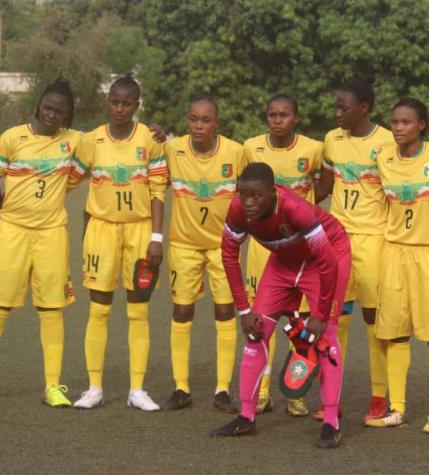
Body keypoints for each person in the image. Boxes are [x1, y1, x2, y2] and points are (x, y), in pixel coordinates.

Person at [0, 78, 82, 407]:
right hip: (12, 234)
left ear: (67, 115)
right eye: (47, 108)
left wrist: (152, 132)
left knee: (51, 310)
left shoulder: (75, 141)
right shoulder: (13, 137)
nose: (51, 115)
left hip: (51, 236)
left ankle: (53, 387)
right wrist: (2, 216)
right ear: (38, 106)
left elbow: (111, 140)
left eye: (59, 111)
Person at [211, 162, 350, 449]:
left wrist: (320, 315)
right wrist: (244, 310)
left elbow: (327, 262)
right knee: (255, 333)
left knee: (325, 338)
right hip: (285, 259)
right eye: (243, 194)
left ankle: (331, 423)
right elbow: (228, 254)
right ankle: (246, 417)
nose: (248, 202)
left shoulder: (295, 208)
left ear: (272, 193)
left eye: (256, 196)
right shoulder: (237, 210)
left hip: (327, 256)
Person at [71, 76, 167, 412]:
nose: (120, 108)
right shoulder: (91, 140)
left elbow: (158, 192)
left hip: (140, 231)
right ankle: (94, 387)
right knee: (98, 309)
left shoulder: (151, 139)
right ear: (108, 102)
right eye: (114, 102)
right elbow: (68, 180)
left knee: (138, 311)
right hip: (101, 230)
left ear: (137, 105)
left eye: (127, 103)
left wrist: (157, 238)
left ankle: (136, 390)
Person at [364, 98, 429, 433]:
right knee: (395, 333)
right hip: (393, 252)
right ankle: (397, 409)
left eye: (406, 122)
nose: (398, 128)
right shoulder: (384, 158)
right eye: (395, 122)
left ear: (422, 124)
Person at [315, 78, 394, 422]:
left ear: (364, 108)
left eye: (343, 107)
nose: (337, 113)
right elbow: (323, 188)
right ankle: (332, 396)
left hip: (374, 240)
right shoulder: (332, 140)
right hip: (337, 240)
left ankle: (379, 396)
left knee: (374, 321)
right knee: (336, 320)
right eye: (336, 106)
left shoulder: (387, 142)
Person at [163, 95, 247, 412]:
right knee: (182, 311)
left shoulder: (235, 152)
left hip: (222, 247)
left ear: (217, 123)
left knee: (225, 311)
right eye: (193, 119)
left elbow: (249, 194)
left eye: (205, 120)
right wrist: (154, 131)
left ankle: (222, 389)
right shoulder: (173, 149)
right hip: (183, 245)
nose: (198, 125)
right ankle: (181, 386)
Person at [242, 94, 324, 417]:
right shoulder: (251, 147)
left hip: (299, 249)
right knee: (262, 320)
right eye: (272, 115)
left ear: (296, 118)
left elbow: (326, 183)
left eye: (284, 114)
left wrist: (303, 212)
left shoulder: (314, 149)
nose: (277, 120)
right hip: (262, 247)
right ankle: (262, 391)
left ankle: (295, 392)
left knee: (299, 320)